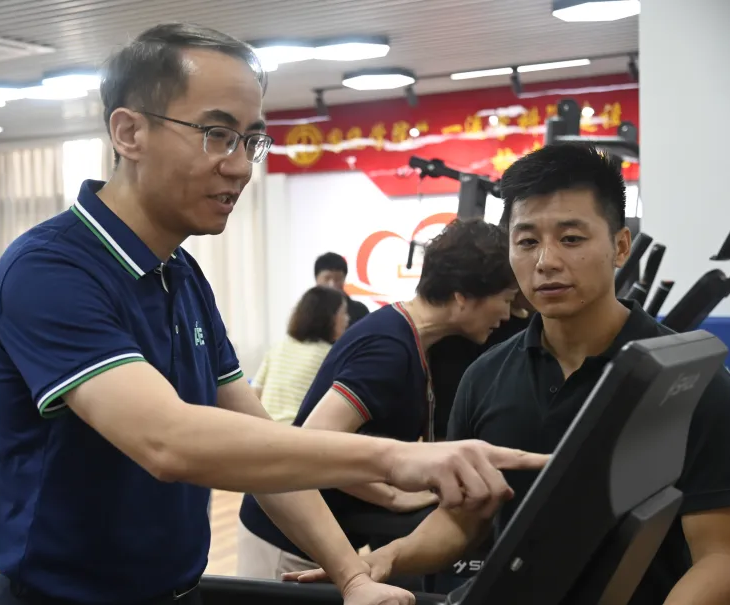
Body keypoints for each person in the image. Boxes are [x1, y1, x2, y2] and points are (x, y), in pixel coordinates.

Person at [0, 23, 548, 605]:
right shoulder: (49, 271)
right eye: (217, 135)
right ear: (129, 132)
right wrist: (396, 457)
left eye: (251, 140)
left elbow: (262, 447)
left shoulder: (182, 275)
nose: (240, 167)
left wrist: (353, 576)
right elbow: (166, 442)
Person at [283, 144, 730, 605]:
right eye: (527, 242)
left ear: (620, 246)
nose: (546, 261)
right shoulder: (484, 378)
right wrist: (389, 558)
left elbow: (719, 556)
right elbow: (460, 520)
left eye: (571, 239)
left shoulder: (694, 384)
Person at [238, 218, 519, 580]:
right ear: (463, 295)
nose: (507, 314)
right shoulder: (389, 349)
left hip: (318, 535)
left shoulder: (406, 335)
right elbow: (316, 439)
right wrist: (392, 496)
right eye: (505, 300)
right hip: (285, 538)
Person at [253, 286, 347, 424]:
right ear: (329, 317)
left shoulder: (278, 347)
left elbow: (255, 392)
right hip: (299, 430)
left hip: (266, 427)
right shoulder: (331, 355)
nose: (347, 319)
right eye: (343, 313)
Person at [315, 252, 371, 325]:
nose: (332, 284)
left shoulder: (359, 311)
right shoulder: (308, 311)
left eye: (338, 279)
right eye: (327, 278)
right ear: (317, 278)